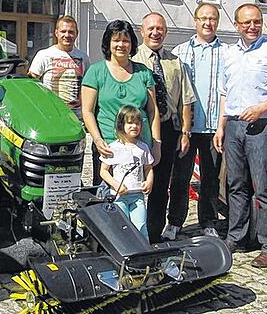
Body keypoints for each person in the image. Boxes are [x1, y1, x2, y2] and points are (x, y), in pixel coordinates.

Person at [213, 3, 267, 268]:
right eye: (246, 23)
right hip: (235, 126)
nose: (252, 27)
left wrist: (261, 109)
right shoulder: (229, 54)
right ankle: (236, 237)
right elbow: (224, 93)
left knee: (264, 188)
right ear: (237, 25)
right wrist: (221, 125)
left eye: (257, 22)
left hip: (263, 127)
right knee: (235, 185)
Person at [132, 12, 195, 244]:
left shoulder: (175, 62)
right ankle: (131, 231)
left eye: (160, 28)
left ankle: (154, 231)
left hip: (168, 129)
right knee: (134, 181)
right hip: (138, 130)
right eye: (151, 28)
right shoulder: (132, 59)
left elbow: (186, 101)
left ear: (165, 32)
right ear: (142, 30)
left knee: (160, 183)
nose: (155, 32)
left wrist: (185, 132)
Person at [170, 3, 228, 238]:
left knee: (210, 179)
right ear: (195, 20)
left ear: (218, 22)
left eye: (212, 18)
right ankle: (174, 222)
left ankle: (208, 222)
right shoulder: (180, 52)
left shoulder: (227, 52)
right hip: (186, 128)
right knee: (180, 177)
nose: (208, 23)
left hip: (214, 127)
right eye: (203, 18)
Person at [81, 20, 160, 188]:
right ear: (108, 43)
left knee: (137, 196)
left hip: (139, 146)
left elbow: (153, 111)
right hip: (108, 147)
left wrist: (156, 143)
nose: (121, 45)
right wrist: (97, 139)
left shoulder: (144, 72)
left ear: (132, 44)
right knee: (107, 199)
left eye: (126, 40)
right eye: (116, 40)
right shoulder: (96, 72)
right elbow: (87, 111)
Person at [99, 105, 154, 239]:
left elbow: (148, 168)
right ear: (121, 125)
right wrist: (116, 184)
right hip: (119, 196)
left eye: (137, 123)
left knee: (140, 226)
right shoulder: (113, 148)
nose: (134, 126)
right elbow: (104, 171)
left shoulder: (143, 147)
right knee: (121, 227)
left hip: (137, 195)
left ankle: (143, 251)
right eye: (130, 123)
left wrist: (149, 181)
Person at [29, 15, 89, 119]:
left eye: (71, 32)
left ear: (76, 34)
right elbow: (31, 84)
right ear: (56, 33)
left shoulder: (83, 57)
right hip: (51, 115)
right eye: (63, 31)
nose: (67, 35)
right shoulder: (44, 55)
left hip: (77, 116)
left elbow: (88, 86)